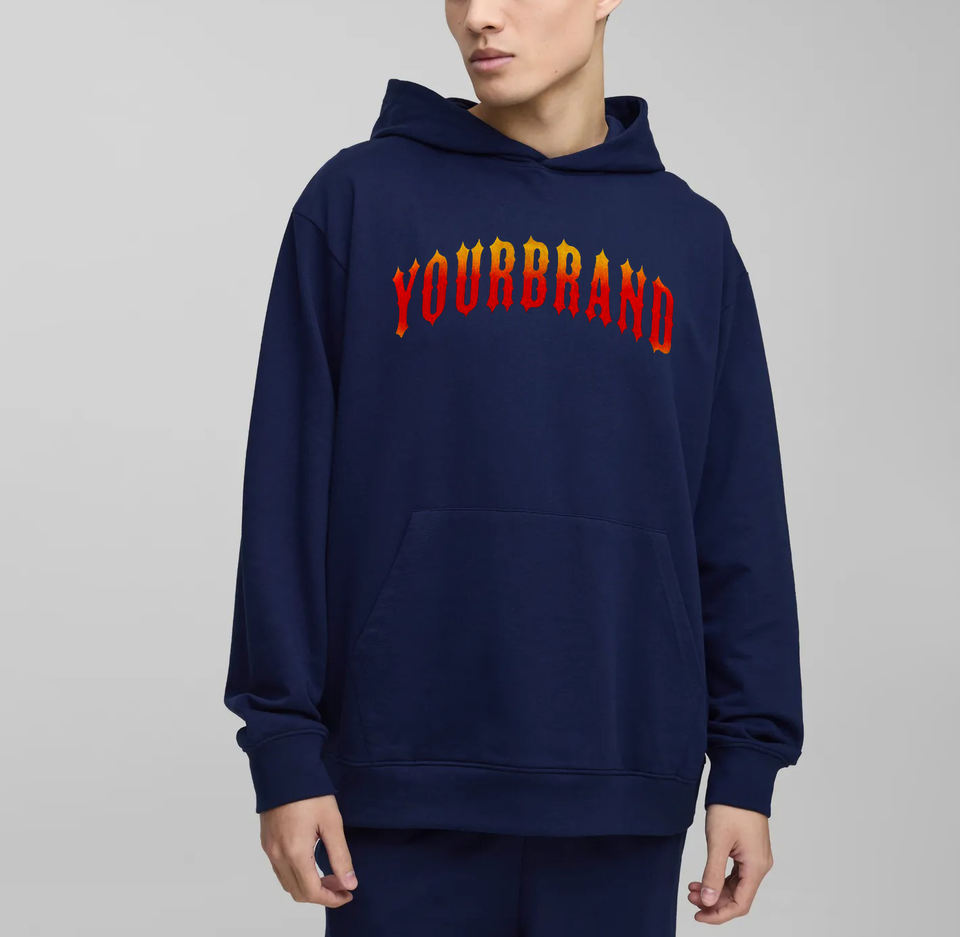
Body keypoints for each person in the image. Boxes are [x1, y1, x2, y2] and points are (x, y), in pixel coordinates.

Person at [223, 1, 804, 933]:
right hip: (401, 778)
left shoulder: (692, 242)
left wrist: (747, 764)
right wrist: (285, 749)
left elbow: (738, 518)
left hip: (621, 782)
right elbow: (285, 496)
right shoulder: (358, 202)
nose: (479, 17)